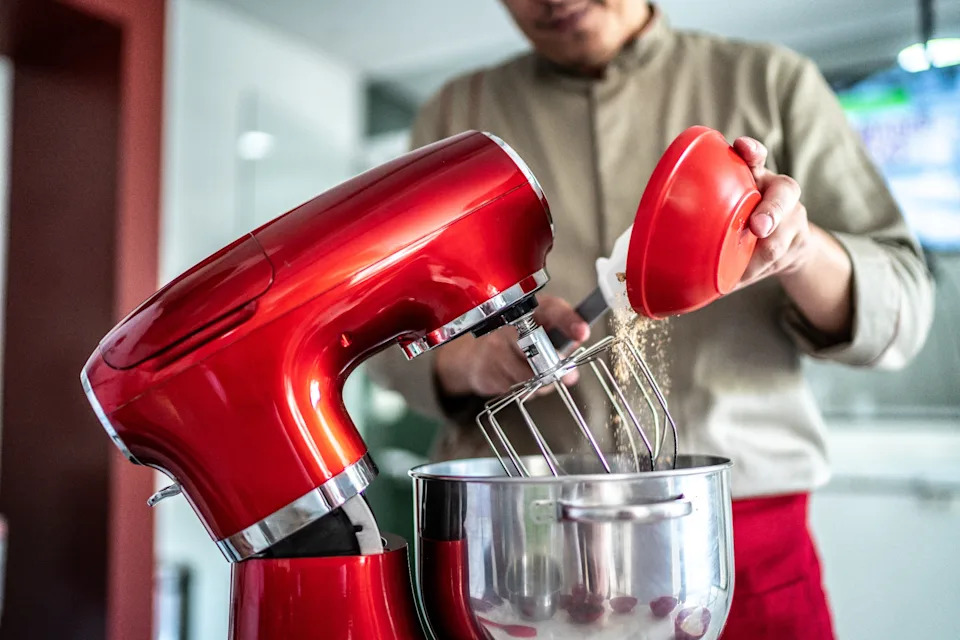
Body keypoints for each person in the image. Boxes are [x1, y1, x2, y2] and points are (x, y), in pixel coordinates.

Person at [367, 1, 935, 638]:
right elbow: (383, 340)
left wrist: (799, 250)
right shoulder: (456, 117)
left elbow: (905, 305)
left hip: (738, 545)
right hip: (523, 555)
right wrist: (467, 360)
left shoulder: (771, 81)